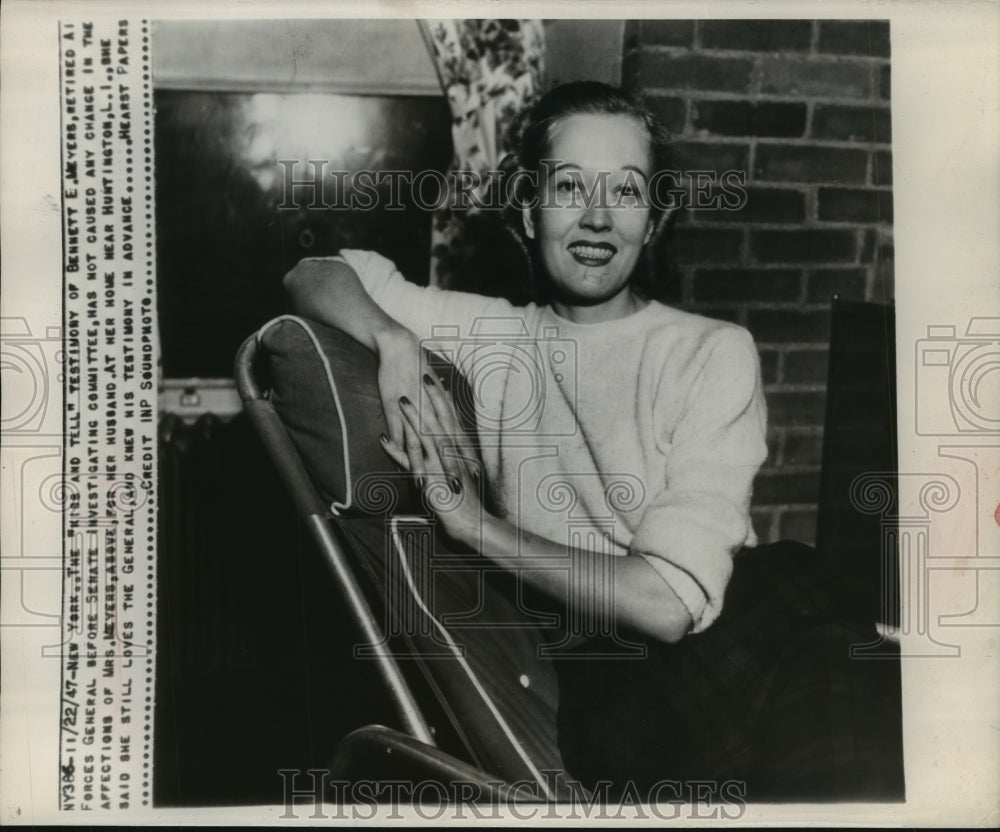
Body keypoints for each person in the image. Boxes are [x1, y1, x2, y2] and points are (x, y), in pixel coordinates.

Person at [283, 82, 902, 801]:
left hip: (725, 651)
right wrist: (393, 343)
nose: (599, 218)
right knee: (826, 617)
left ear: (656, 216)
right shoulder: (496, 335)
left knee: (815, 621)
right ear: (527, 206)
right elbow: (317, 272)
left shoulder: (711, 351)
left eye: (628, 192)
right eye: (571, 185)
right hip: (612, 690)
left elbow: (670, 603)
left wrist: (476, 527)